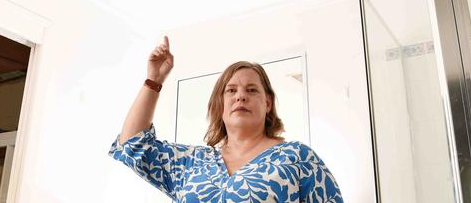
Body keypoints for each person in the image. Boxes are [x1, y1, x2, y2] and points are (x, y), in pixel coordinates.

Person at [109, 36, 343, 202]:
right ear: (220, 105)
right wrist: (153, 80)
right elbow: (132, 145)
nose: (240, 95)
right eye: (231, 91)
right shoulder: (192, 163)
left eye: (252, 90)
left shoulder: (298, 158)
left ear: (268, 103)